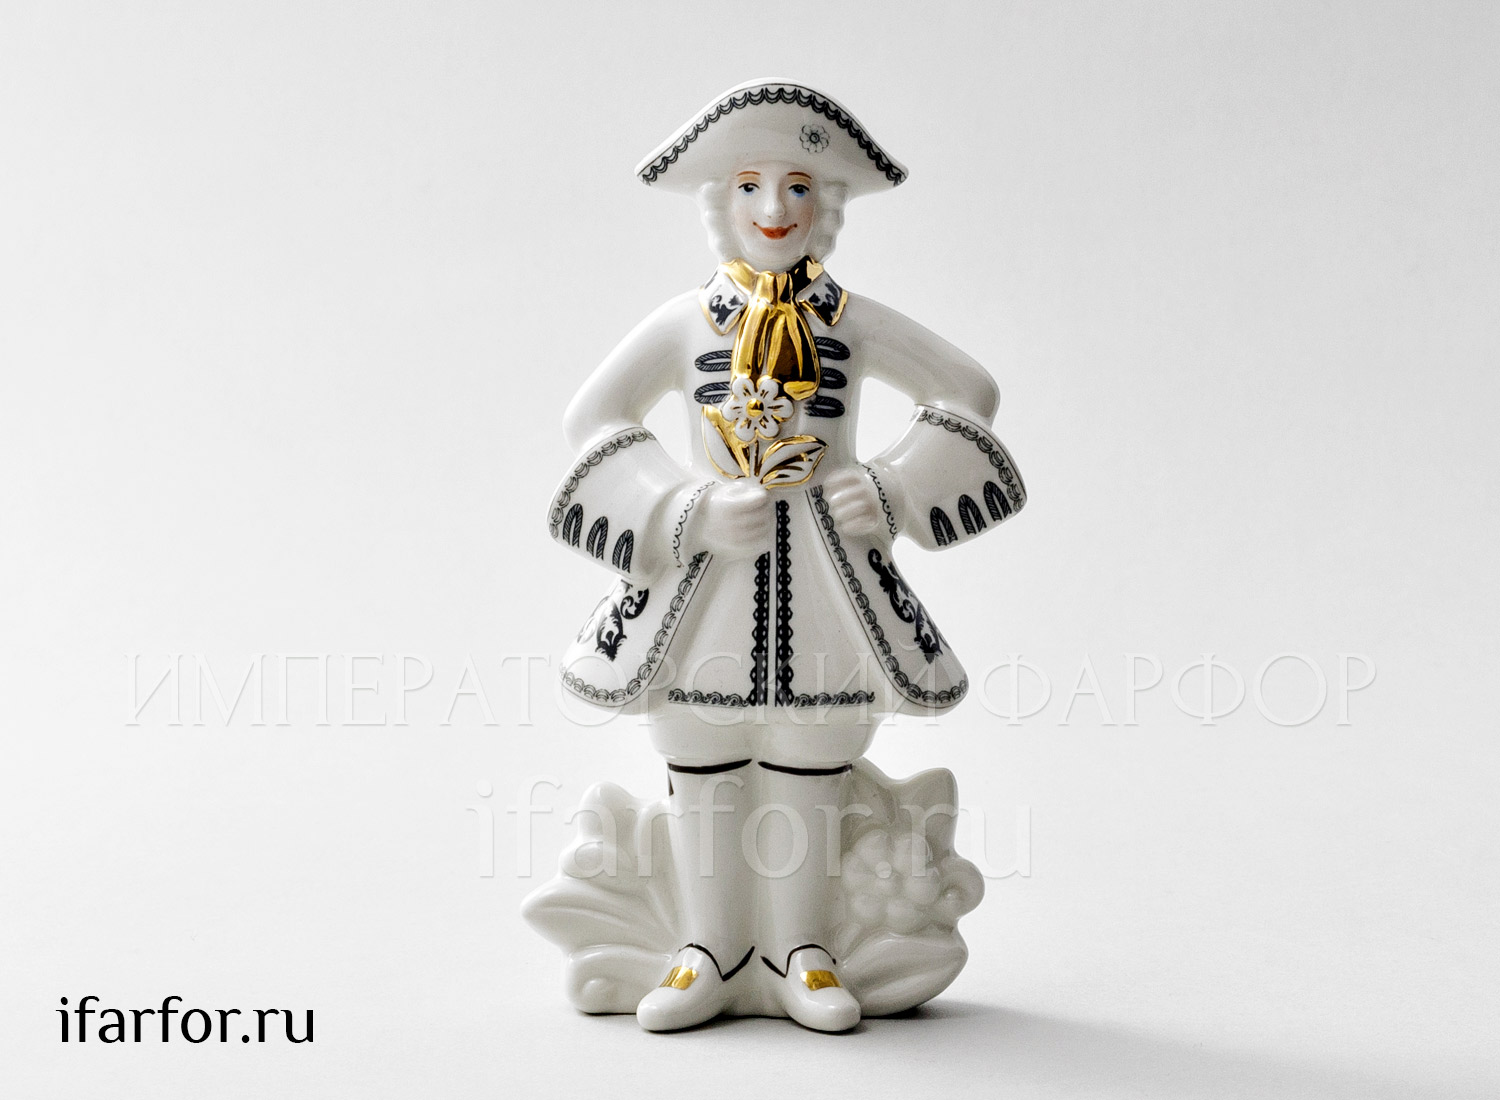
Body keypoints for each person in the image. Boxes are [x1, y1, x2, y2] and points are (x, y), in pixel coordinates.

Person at [546, 80, 1026, 1032]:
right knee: (702, 754)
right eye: (751, 185)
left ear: (829, 204)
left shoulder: (851, 318)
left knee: (811, 758)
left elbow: (967, 389)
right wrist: (679, 508)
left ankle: (801, 950)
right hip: (707, 581)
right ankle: (708, 949)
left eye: (798, 185)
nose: (775, 207)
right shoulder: (686, 322)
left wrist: (892, 488)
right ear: (719, 202)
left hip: (825, 579)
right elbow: (592, 417)